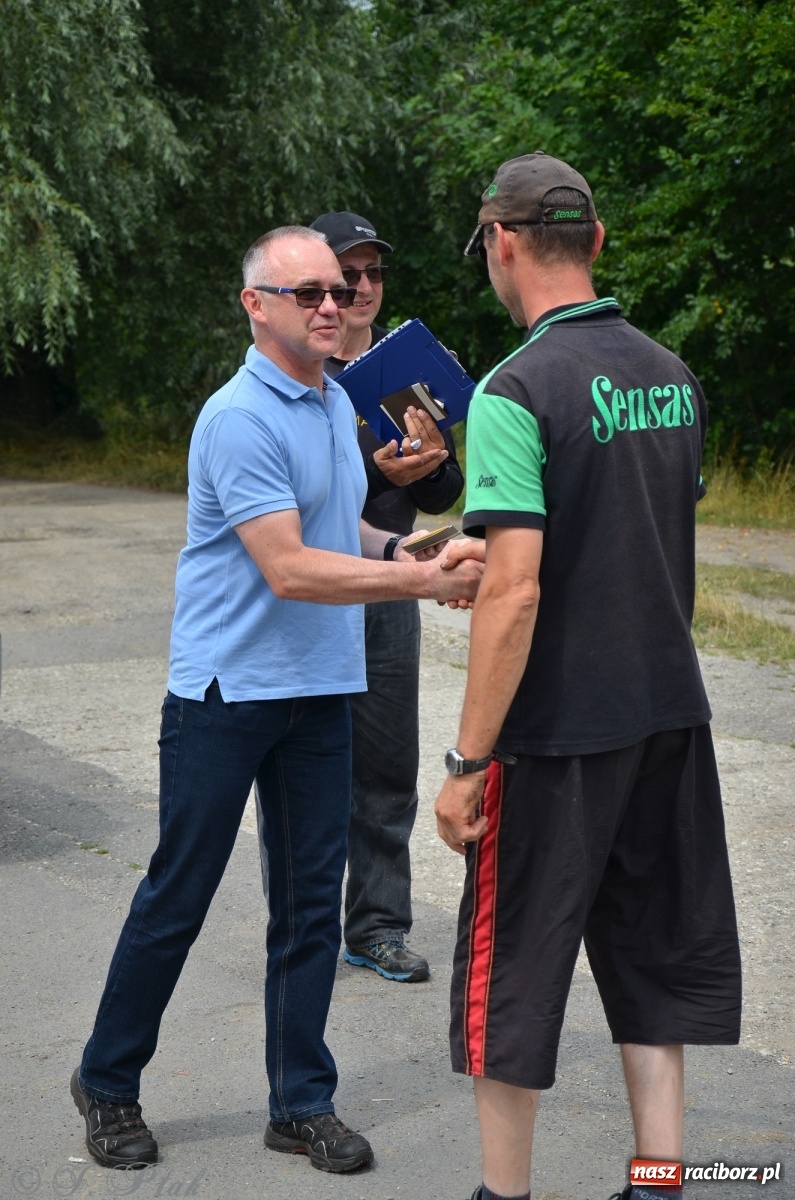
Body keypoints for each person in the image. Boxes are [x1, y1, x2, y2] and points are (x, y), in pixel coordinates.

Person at [70, 226, 482, 1175]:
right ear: (256, 306)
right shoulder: (238, 418)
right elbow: (291, 570)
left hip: (319, 692)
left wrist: (429, 552)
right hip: (227, 694)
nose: (331, 305)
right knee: (179, 894)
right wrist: (421, 587)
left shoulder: (337, 405)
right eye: (306, 293)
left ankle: (300, 1102)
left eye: (337, 290)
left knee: (306, 911)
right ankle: (107, 1080)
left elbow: (350, 542)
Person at [434, 154, 742, 1200]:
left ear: (502, 246)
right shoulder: (673, 375)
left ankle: (503, 1195)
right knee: (654, 961)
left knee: (510, 975)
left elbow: (515, 595)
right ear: (598, 244)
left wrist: (467, 758)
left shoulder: (514, 391)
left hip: (557, 734)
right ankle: (661, 1182)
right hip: (666, 715)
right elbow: (638, 534)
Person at [287, 210, 463, 985]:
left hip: (392, 586)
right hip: (315, 588)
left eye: (372, 274)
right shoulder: (299, 369)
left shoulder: (402, 370)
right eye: (346, 275)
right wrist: (375, 480)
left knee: (387, 766)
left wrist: (431, 463)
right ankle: (299, 928)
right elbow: (303, 507)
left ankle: (378, 927)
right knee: (308, 766)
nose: (360, 288)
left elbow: (447, 492)